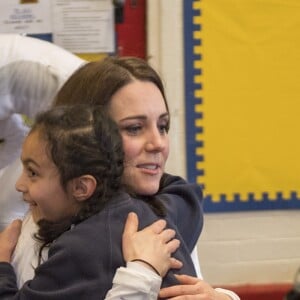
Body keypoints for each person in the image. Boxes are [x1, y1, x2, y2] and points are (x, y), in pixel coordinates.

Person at [11, 56, 240, 299]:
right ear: (86, 138)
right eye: (134, 128)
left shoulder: (165, 214)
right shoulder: (47, 226)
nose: (158, 143)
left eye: (163, 126)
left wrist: (223, 297)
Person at [0, 105, 184, 299]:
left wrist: (2, 262)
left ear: (81, 188)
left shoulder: (79, 250)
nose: (19, 185)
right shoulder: (147, 211)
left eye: (33, 173)